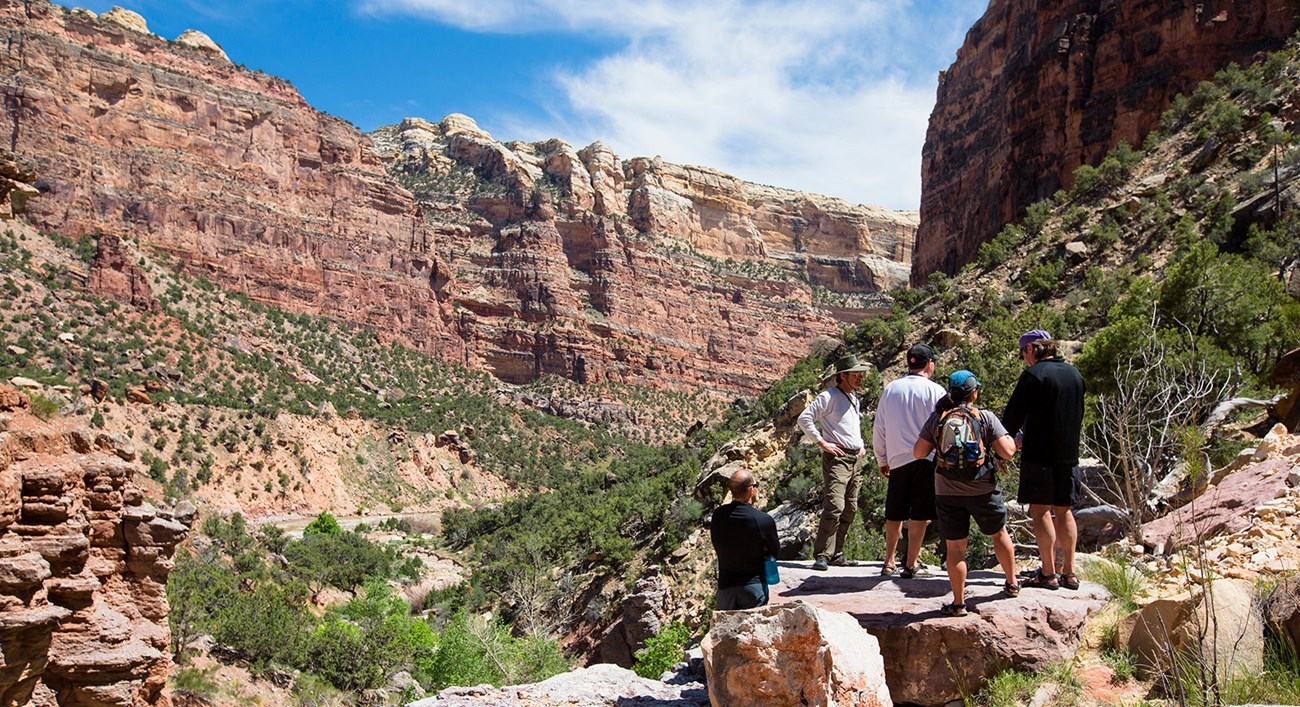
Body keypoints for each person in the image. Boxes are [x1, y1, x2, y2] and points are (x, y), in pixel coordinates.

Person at [914, 370, 1019, 617]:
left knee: (955, 548)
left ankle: (958, 603)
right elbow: (1008, 452)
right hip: (982, 488)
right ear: (974, 392)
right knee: (998, 533)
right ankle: (1012, 583)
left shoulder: (938, 418)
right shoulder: (984, 417)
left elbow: (918, 452)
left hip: (947, 491)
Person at [1002, 329, 1086, 591]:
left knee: (1040, 512)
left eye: (1022, 353)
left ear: (1030, 350)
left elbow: (1012, 417)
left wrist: (1006, 444)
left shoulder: (1033, 375)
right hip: (1069, 454)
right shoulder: (1075, 374)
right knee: (1064, 511)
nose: (1023, 359)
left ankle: (1048, 573)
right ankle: (1069, 573)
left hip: (1039, 454)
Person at [872, 343, 946, 578]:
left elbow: (879, 427)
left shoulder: (891, 389)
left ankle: (888, 561)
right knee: (920, 514)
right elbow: (943, 427)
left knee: (894, 512)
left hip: (897, 460)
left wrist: (881, 458)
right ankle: (911, 563)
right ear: (930, 364)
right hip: (926, 457)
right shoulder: (936, 392)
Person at [797, 353, 872, 571]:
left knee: (850, 507)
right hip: (837, 458)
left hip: (854, 458)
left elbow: (849, 426)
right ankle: (822, 554)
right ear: (843, 376)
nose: (860, 378)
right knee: (835, 505)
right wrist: (822, 443)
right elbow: (804, 418)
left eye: (860, 374)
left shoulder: (853, 398)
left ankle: (836, 553)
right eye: (855, 374)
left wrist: (861, 444)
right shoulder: (828, 397)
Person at [710, 469, 781, 610]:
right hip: (752, 588)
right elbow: (775, 552)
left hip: (725, 589)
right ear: (750, 490)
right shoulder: (762, 520)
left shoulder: (717, 515)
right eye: (756, 485)